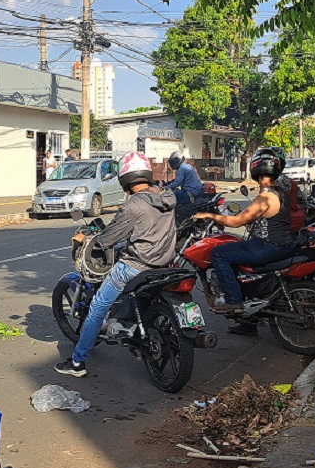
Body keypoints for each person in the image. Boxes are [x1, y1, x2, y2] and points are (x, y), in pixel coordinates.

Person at [56, 151, 177, 377]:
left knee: (97, 308)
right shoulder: (166, 198)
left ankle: (77, 363)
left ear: (125, 180)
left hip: (136, 265)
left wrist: (88, 240)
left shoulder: (133, 206)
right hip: (165, 262)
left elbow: (107, 239)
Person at [193, 148, 296, 334]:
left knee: (218, 253)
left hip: (269, 246)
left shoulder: (266, 197)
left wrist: (210, 215)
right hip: (279, 243)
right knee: (233, 248)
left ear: (255, 169)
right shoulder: (280, 192)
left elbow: (236, 221)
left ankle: (234, 301)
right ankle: (249, 322)